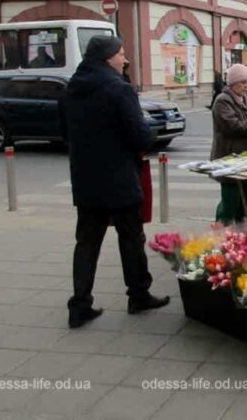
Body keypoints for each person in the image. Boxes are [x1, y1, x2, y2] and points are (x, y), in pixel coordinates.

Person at [65, 35, 168, 329]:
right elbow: (140, 136)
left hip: (85, 179)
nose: (125, 60)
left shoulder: (73, 87)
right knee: (131, 239)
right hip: (120, 178)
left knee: (86, 243)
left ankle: (79, 305)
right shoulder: (118, 89)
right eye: (121, 54)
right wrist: (151, 134)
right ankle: (138, 295)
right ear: (108, 58)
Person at [211, 64, 247, 223]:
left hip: (245, 157)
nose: (246, 86)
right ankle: (221, 230)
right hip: (229, 157)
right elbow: (234, 126)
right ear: (232, 83)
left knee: (243, 202)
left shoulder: (245, 99)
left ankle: (239, 235)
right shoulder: (222, 101)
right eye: (242, 83)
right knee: (230, 201)